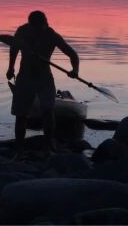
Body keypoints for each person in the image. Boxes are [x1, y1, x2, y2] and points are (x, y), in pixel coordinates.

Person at [6, 10, 79, 158]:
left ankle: (48, 146)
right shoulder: (22, 31)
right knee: (21, 114)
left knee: (48, 111)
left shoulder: (52, 35)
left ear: (45, 24)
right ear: (30, 24)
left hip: (44, 78)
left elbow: (72, 54)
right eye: (35, 28)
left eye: (41, 27)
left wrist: (75, 70)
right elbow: (14, 49)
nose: (38, 31)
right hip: (24, 77)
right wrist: (10, 67)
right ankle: (19, 149)